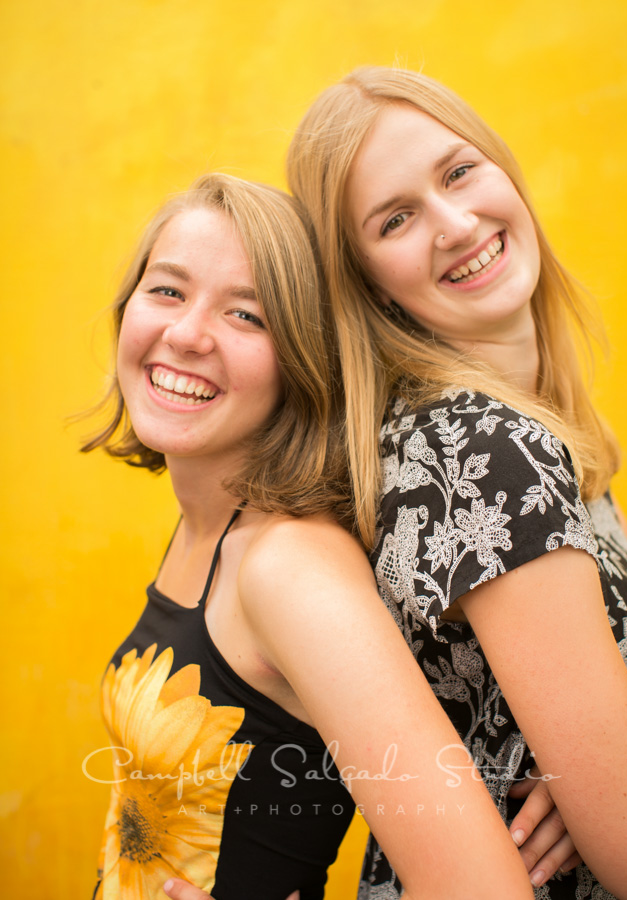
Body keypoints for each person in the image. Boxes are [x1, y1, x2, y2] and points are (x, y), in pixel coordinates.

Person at [83, 173, 536, 900]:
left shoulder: (290, 568)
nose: (187, 333)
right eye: (167, 291)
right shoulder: (208, 521)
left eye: (247, 316)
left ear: (299, 362)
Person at [284, 66, 627, 900]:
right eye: (396, 219)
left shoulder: (506, 427)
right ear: (366, 281)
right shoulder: (478, 449)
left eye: (458, 171)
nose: (454, 223)